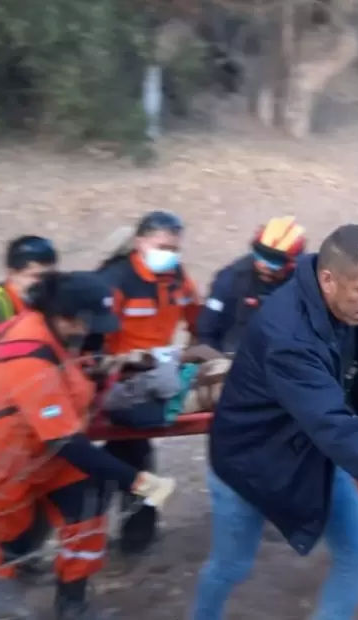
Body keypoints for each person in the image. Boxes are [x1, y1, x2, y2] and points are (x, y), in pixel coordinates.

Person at [191, 224, 358, 620]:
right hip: (249, 465)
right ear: (328, 279)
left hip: (311, 453)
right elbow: (333, 425)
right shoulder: (288, 335)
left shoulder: (355, 305)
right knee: (232, 566)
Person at [0, 271, 174, 620]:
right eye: (87, 324)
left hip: (42, 458)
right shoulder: (29, 360)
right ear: (65, 317)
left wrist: (95, 369)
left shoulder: (49, 333)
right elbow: (68, 443)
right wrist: (138, 481)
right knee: (11, 547)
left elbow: (64, 389)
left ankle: (72, 601)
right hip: (1, 469)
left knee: (88, 506)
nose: (90, 333)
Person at [96, 210, 201, 553]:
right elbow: (93, 337)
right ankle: (132, 529)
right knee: (132, 446)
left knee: (131, 448)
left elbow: (195, 317)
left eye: (174, 247)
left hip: (156, 373)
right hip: (116, 378)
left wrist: (198, 354)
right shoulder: (117, 281)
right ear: (139, 242)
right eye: (162, 246)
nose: (169, 254)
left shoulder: (175, 277)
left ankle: (133, 530)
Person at [195, 215, 306, 354]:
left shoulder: (306, 285)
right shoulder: (231, 279)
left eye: (274, 260)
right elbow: (207, 329)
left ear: (293, 263)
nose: (262, 264)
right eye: (259, 254)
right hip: (231, 356)